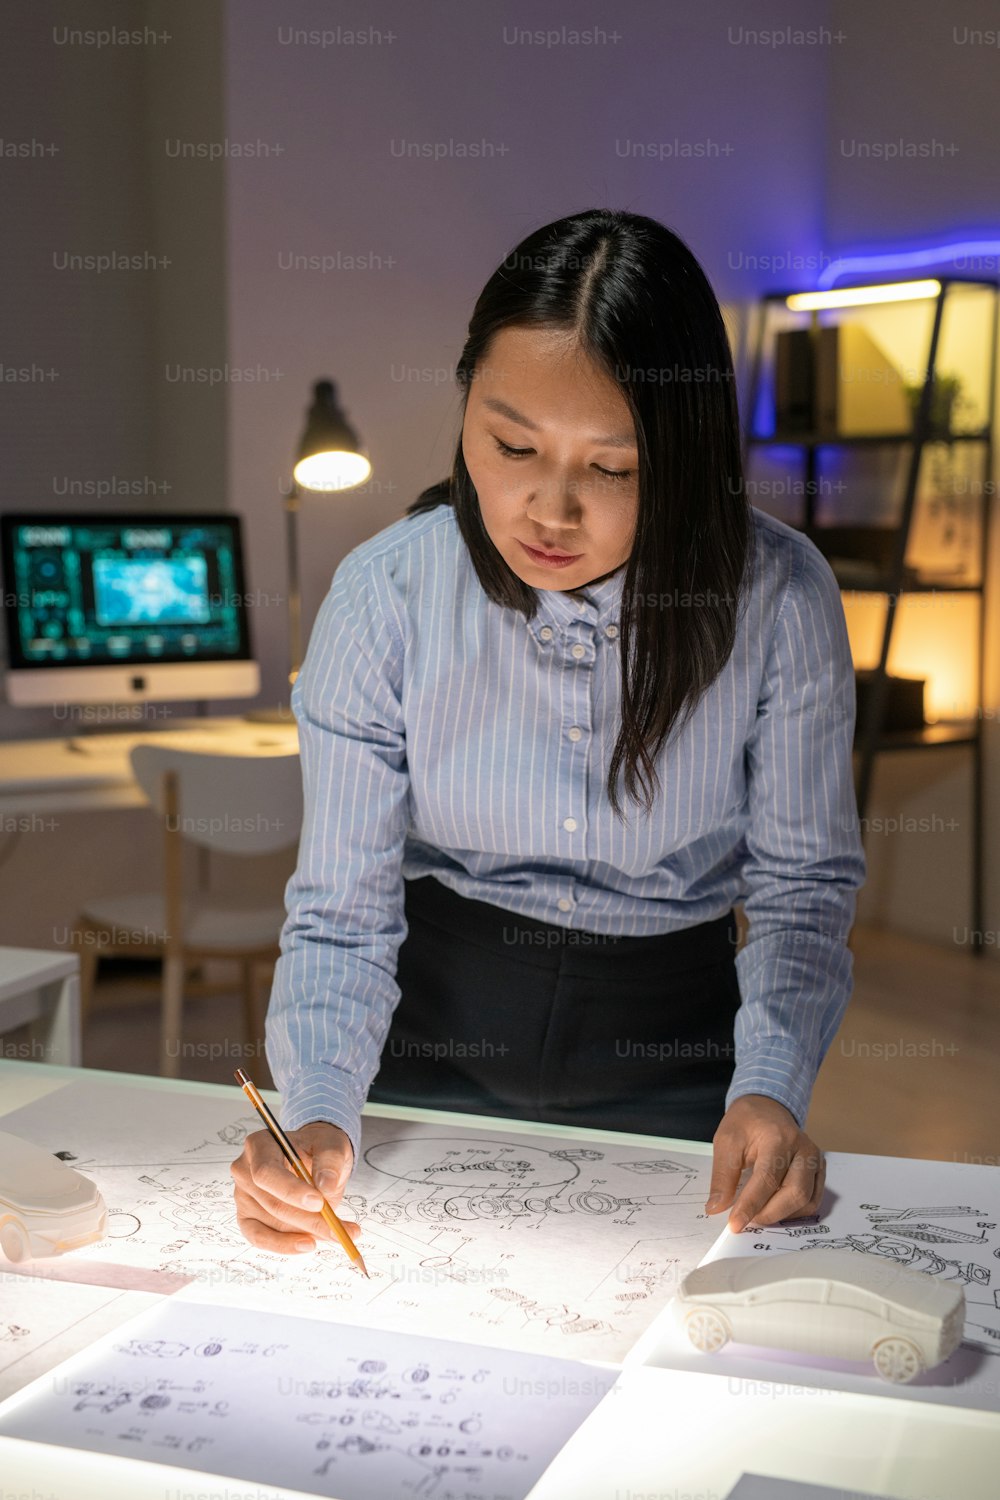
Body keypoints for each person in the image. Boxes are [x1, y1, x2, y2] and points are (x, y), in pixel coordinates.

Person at [231, 208, 866, 1256]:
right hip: (429, 1044)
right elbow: (343, 912)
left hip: (676, 1056)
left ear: (685, 452)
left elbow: (800, 895)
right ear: (465, 405)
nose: (548, 509)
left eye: (612, 469)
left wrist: (769, 1090)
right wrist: (317, 1111)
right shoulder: (386, 597)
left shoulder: (778, 598)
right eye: (511, 444)